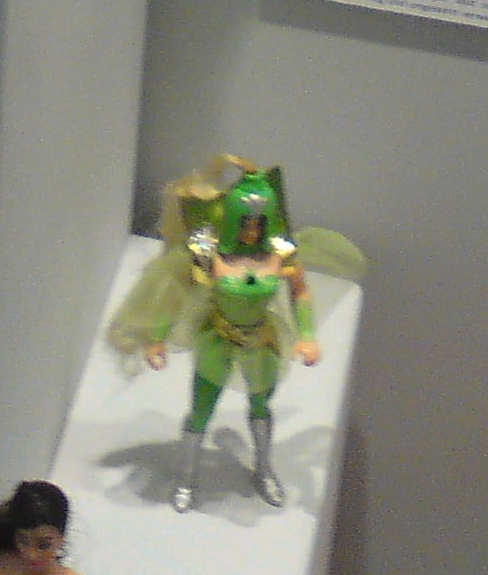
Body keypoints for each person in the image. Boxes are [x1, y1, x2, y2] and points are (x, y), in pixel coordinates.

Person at [105, 157, 366, 512]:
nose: (252, 230)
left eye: (258, 223)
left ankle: (264, 468)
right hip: (218, 338)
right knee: (201, 410)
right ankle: (187, 477)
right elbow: (176, 294)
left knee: (260, 407)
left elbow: (300, 292)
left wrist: (307, 335)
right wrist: (157, 338)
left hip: (262, 341)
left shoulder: (280, 253)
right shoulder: (210, 253)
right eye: (245, 222)